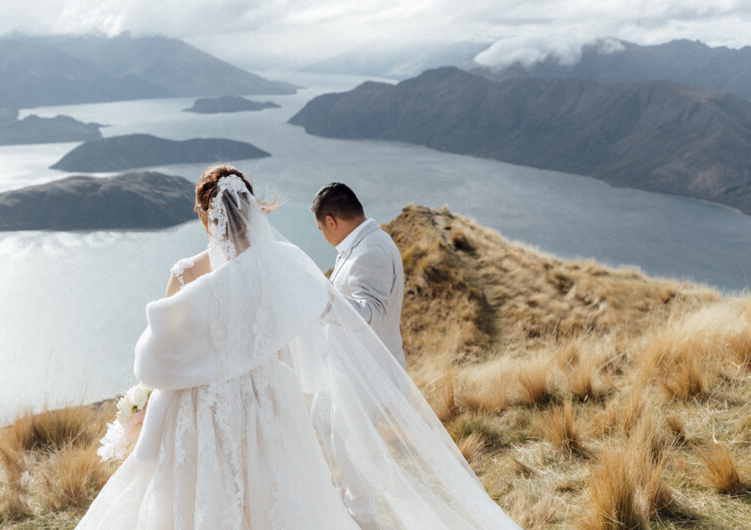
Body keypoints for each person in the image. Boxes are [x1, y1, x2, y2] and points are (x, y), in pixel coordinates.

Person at [75, 165, 521, 529]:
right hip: (269, 398)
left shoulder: (185, 273)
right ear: (252, 210)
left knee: (202, 498)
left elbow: (154, 360)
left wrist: (144, 401)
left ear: (205, 214)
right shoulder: (282, 264)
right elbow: (324, 308)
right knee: (280, 494)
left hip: (202, 409)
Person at [311, 183, 405, 368]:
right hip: (352, 373)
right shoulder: (371, 241)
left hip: (369, 380)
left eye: (321, 229)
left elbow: (372, 313)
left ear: (331, 222)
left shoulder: (369, 252)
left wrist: (327, 301)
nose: (323, 234)